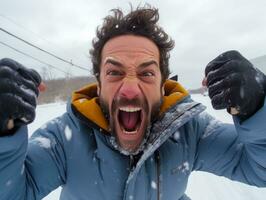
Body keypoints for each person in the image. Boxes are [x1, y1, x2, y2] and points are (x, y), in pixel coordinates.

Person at [0, 5, 266, 200]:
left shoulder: (190, 132)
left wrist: (258, 106)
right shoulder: (63, 139)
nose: (129, 89)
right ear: (98, 84)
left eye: (147, 73)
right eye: (114, 73)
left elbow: (258, 169)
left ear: (163, 85)